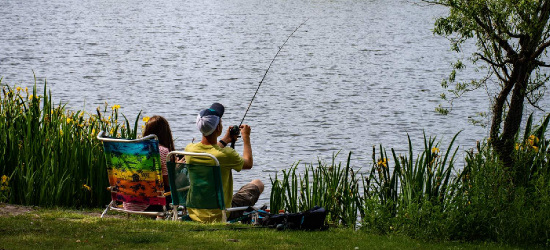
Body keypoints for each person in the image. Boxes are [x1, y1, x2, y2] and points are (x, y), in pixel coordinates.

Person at [184, 103, 264, 223]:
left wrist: (225, 140)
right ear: (218, 128)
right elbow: (248, 163)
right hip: (221, 213)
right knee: (257, 183)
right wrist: (246, 137)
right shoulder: (226, 154)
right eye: (220, 122)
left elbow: (212, 152)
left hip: (195, 212)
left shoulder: (189, 150)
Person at [123, 115, 176, 212]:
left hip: (129, 203)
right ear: (166, 133)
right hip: (149, 205)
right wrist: (176, 169)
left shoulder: (134, 149)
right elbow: (168, 182)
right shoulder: (162, 151)